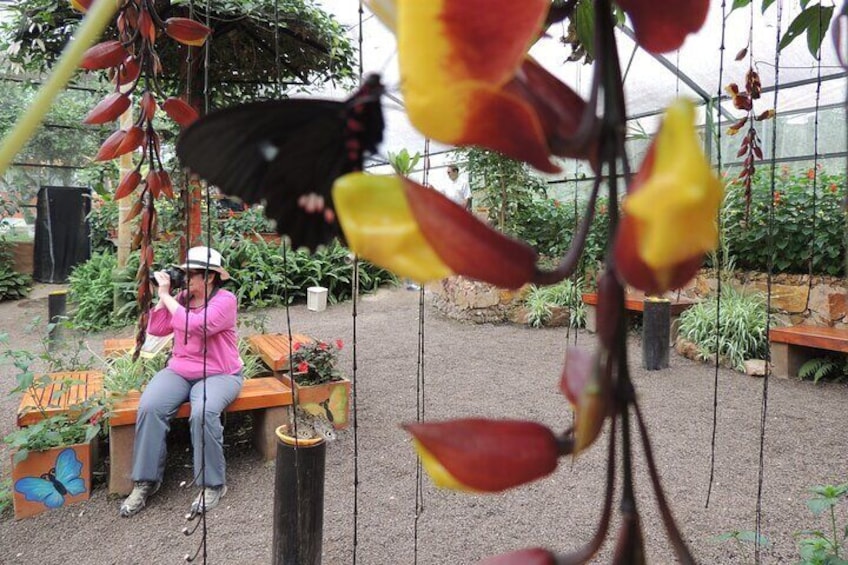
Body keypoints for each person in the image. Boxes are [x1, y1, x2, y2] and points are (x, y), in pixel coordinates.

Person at [120, 246, 243, 517]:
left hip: (220, 373)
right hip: (180, 370)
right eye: (182, 272)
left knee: (203, 412)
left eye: (189, 273)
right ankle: (145, 481)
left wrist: (167, 296)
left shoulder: (226, 300)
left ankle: (213, 484)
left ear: (209, 277)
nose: (183, 277)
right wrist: (163, 299)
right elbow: (156, 328)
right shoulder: (183, 297)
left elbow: (198, 326)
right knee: (150, 406)